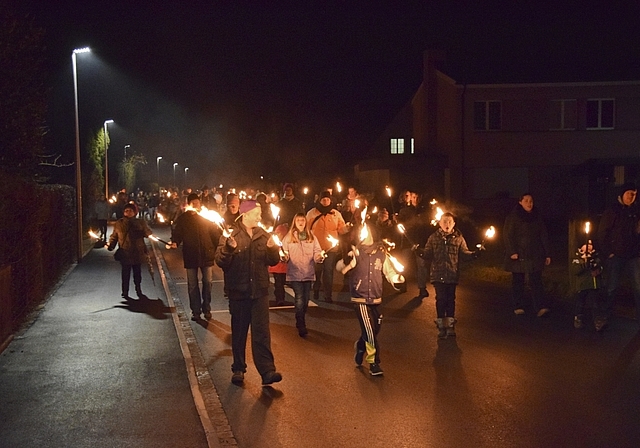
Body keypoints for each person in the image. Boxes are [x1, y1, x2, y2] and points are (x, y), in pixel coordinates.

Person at [215, 200, 283, 386]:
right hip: (239, 291)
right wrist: (228, 248)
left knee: (262, 332)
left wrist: (272, 248)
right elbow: (220, 262)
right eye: (257, 213)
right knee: (239, 332)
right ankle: (238, 368)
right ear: (245, 214)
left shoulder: (264, 235)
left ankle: (267, 371)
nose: (260, 216)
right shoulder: (230, 234)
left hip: (259, 292)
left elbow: (273, 261)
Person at [337, 219, 404, 376]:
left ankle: (360, 346)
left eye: (365, 231)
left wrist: (397, 279)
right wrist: (347, 261)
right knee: (369, 330)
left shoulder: (382, 254)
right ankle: (374, 362)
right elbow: (341, 268)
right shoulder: (357, 253)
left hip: (375, 297)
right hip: (360, 298)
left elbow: (389, 273)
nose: (362, 234)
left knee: (375, 329)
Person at [420, 212, 476, 339]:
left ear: (454, 224)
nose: (447, 224)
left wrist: (474, 254)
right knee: (441, 299)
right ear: (439, 223)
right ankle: (441, 324)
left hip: (452, 274)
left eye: (450, 222)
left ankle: (450, 325)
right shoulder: (433, 237)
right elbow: (427, 253)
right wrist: (420, 252)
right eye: (444, 221)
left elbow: (465, 253)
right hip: (437, 274)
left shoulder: (459, 238)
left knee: (450, 300)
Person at [170, 193, 221, 321]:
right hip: (190, 255)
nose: (196, 205)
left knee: (208, 283)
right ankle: (196, 311)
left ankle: (207, 308)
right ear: (189, 204)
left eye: (198, 202)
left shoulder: (205, 216)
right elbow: (178, 233)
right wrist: (175, 241)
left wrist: (220, 245)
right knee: (192, 285)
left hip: (206, 254)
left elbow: (215, 234)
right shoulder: (183, 218)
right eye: (193, 203)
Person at [595, 182, 640, 328]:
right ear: (622, 194)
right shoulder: (613, 211)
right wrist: (608, 252)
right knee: (612, 287)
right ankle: (604, 316)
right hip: (617, 255)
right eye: (629, 194)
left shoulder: (635, 211)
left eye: (634, 194)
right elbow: (602, 233)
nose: (631, 197)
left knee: (638, 287)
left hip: (633, 255)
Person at [503, 193, 552, 317]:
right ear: (520, 202)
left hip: (535, 253)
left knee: (536, 280)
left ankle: (540, 306)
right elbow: (508, 235)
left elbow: (543, 235)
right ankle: (518, 305)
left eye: (531, 200)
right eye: (526, 201)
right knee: (518, 280)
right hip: (519, 253)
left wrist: (547, 253)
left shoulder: (537, 216)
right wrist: (512, 251)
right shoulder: (513, 217)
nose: (529, 203)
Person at [282, 213, 324, 336]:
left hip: (308, 273)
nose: (301, 222)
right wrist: (284, 257)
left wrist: (319, 257)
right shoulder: (289, 237)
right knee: (299, 298)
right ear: (294, 222)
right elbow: (284, 252)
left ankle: (300, 317)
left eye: (303, 220)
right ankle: (301, 323)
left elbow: (317, 251)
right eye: (298, 220)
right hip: (295, 273)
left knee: (305, 300)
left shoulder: (311, 236)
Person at [306, 190, 348, 303]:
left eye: (327, 199)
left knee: (328, 270)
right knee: (317, 270)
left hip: (331, 248)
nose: (325, 201)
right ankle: (316, 288)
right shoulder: (312, 213)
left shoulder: (336, 214)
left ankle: (327, 295)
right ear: (319, 200)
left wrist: (347, 228)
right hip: (317, 248)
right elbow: (306, 229)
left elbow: (341, 229)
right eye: (323, 199)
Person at [107, 202, 152, 300]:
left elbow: (148, 232)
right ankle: (125, 291)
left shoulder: (140, 222)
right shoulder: (119, 223)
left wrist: (145, 232)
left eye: (131, 210)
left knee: (137, 273)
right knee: (125, 273)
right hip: (125, 252)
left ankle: (138, 289)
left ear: (135, 212)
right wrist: (111, 245)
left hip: (137, 251)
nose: (128, 212)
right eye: (126, 210)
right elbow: (114, 236)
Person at [570, 240, 603, 330]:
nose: (589, 246)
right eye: (586, 244)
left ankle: (597, 320)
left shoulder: (596, 256)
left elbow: (600, 266)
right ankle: (578, 317)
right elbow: (575, 270)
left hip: (593, 285)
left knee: (595, 302)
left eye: (591, 244)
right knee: (580, 302)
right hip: (582, 285)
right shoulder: (577, 257)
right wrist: (584, 264)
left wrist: (598, 270)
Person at [268, 223, 289, 306]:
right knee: (278, 283)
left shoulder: (286, 242)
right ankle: (280, 298)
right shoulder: (273, 242)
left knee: (281, 283)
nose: (278, 235)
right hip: (276, 267)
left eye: (280, 233)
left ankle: (280, 297)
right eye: (277, 233)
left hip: (283, 267)